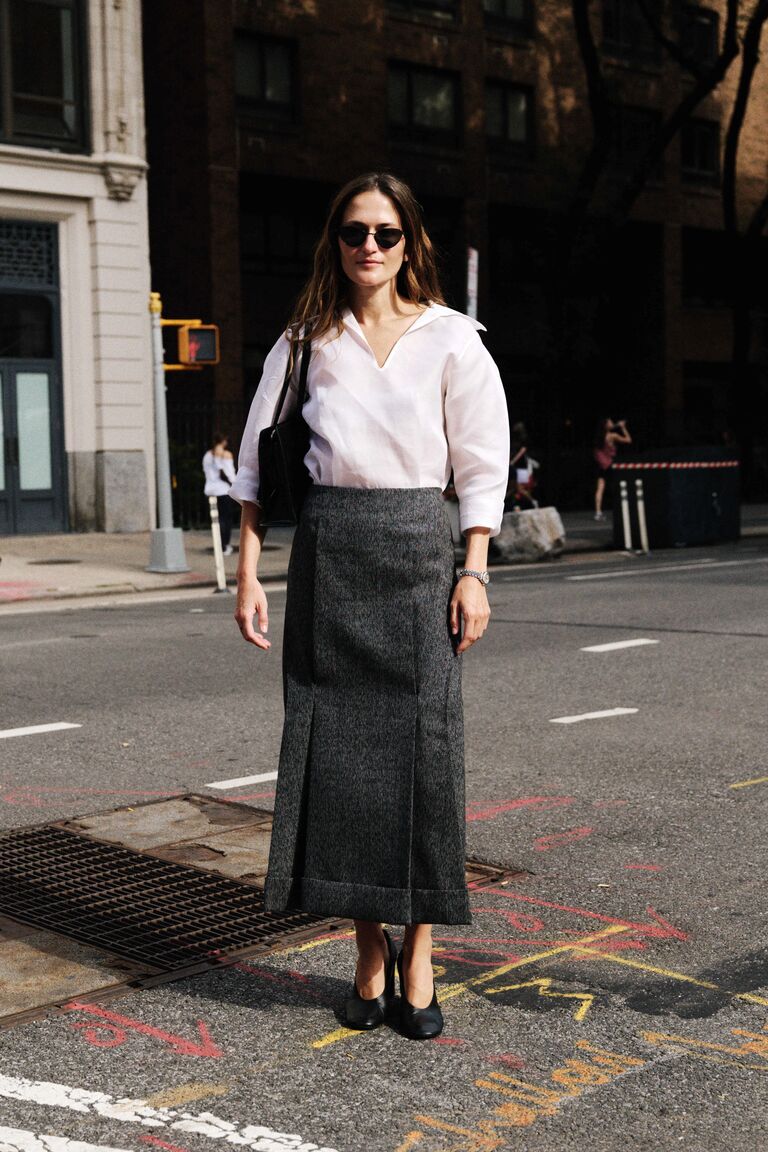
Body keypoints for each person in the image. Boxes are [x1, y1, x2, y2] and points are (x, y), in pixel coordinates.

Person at [230, 172, 509, 1040]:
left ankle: (420, 952)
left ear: (409, 240)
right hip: (331, 555)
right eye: (355, 232)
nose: (370, 248)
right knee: (339, 763)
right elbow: (252, 467)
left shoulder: (455, 340)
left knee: (427, 756)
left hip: (422, 553)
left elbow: (480, 464)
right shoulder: (306, 339)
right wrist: (248, 572)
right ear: (336, 240)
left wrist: (475, 571)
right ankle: (368, 953)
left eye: (386, 233)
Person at [202, 432, 236, 554]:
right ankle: (225, 545)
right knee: (226, 519)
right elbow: (229, 474)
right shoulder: (225, 456)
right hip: (223, 490)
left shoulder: (207, 456)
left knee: (216, 520)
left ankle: (219, 544)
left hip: (210, 490)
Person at [593, 417, 631, 521]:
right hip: (610, 465)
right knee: (618, 487)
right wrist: (623, 428)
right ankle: (621, 510)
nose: (612, 423)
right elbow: (628, 440)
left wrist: (616, 426)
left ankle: (598, 513)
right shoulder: (612, 436)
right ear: (606, 425)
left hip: (601, 466)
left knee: (600, 488)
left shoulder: (599, 437)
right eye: (610, 422)